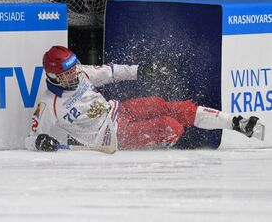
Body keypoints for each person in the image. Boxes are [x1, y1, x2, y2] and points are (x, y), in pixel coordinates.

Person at [26, 45, 265, 153]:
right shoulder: (48, 104)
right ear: (53, 76)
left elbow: (111, 72)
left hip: (120, 111)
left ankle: (235, 122)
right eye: (67, 73)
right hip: (112, 136)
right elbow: (30, 138)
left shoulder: (83, 72)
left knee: (169, 106)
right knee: (169, 126)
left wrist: (142, 70)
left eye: (74, 67)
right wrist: (39, 143)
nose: (74, 74)